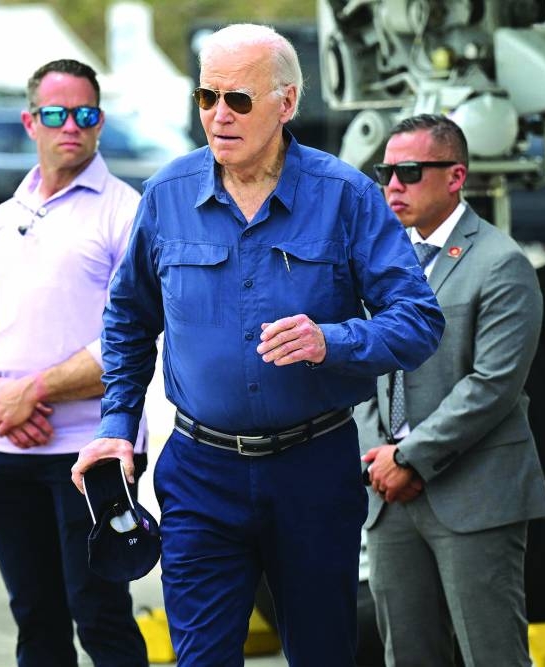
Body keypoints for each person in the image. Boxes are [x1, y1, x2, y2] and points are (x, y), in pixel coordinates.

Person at [69, 23, 444, 667]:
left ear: (287, 103)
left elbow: (418, 320)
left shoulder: (345, 196)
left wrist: (333, 340)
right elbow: (128, 319)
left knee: (323, 652)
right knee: (201, 656)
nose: (219, 115)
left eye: (238, 99)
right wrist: (117, 424)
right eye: (207, 98)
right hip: (199, 471)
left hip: (313, 469)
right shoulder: (167, 195)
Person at [0, 59, 149, 666]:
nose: (71, 127)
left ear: (100, 122)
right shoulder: (1, 220)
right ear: (30, 121)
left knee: (102, 617)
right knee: (35, 622)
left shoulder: (125, 211)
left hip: (93, 456)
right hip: (5, 457)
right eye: (57, 114)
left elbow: (130, 339)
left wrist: (27, 392)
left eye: (85, 115)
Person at [359, 113, 545, 666]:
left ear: (456, 176)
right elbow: (359, 367)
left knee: (491, 654)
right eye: (386, 172)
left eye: (411, 171)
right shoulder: (379, 262)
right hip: (388, 496)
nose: (393, 185)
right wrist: (378, 459)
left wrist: (412, 458)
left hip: (474, 495)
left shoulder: (501, 263)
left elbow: (493, 385)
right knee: (409, 655)